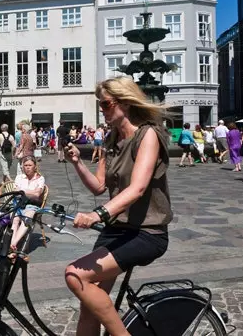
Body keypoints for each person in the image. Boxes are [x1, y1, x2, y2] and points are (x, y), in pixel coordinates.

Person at [64, 76, 172, 336]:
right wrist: (78, 163)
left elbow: (138, 188)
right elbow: (99, 186)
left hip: (147, 232)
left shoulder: (148, 135)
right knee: (89, 306)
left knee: (75, 275)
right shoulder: (112, 141)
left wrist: (96, 214)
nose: (102, 110)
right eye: (100, 105)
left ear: (124, 102)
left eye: (106, 104)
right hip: (117, 229)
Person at [9, 156, 46, 253]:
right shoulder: (19, 177)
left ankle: (13, 244)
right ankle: (13, 244)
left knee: (27, 217)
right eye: (25, 165)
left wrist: (22, 191)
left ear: (34, 166)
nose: (27, 167)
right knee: (15, 219)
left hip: (32, 205)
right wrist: (31, 192)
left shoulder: (40, 178)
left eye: (30, 165)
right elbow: (15, 192)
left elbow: (37, 194)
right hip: (19, 203)